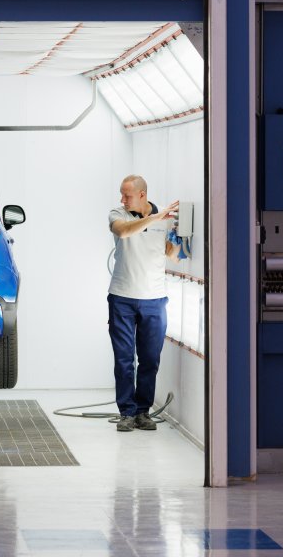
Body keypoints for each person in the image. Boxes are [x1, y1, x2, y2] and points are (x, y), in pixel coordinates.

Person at [107, 175, 179, 432]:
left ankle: (142, 412)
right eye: (121, 194)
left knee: (150, 359)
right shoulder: (118, 214)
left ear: (142, 194)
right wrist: (157, 218)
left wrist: (180, 236)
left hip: (154, 300)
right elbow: (124, 232)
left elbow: (173, 255)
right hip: (122, 298)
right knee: (124, 359)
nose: (122, 199)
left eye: (127, 195)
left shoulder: (164, 220)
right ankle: (126, 412)